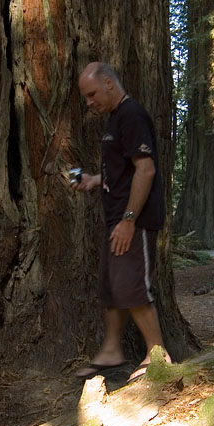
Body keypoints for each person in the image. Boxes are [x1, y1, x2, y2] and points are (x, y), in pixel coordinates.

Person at [71, 61, 170, 381]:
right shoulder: (116, 119)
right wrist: (95, 179)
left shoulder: (132, 115)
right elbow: (124, 170)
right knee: (111, 287)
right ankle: (112, 349)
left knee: (132, 287)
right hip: (117, 217)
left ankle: (158, 355)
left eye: (91, 94)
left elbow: (146, 170)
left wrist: (129, 220)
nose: (89, 103)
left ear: (109, 84)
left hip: (135, 220)